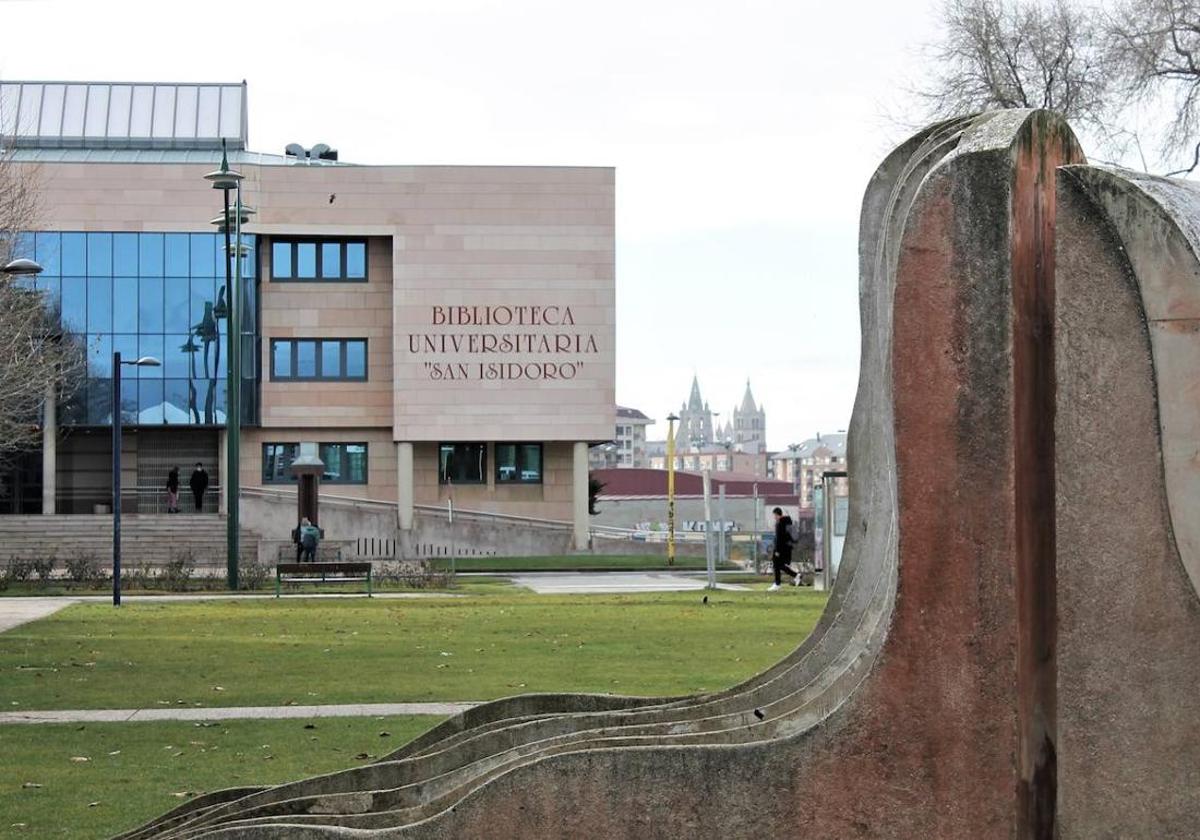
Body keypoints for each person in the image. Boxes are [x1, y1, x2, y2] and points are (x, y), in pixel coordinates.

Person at [768, 506, 800, 591]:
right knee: (780, 566)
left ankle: (777, 584)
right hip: (786, 548)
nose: (774, 517)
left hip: (780, 549)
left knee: (776, 565)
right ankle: (796, 575)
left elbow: (779, 538)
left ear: (776, 514)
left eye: (774, 515)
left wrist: (777, 550)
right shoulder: (787, 523)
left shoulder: (780, 524)